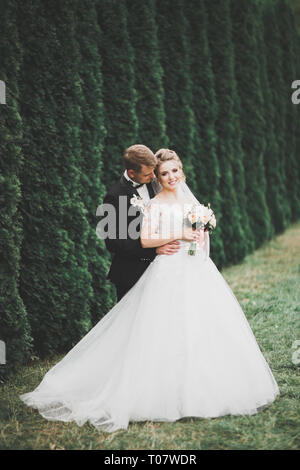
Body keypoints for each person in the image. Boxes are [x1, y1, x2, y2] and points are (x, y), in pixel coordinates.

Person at [20, 148, 279, 433]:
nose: (168, 177)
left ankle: (204, 384)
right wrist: (176, 236)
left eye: (173, 171)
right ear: (148, 175)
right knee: (154, 331)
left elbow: (198, 236)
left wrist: (200, 238)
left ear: (182, 172)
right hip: (164, 270)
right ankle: (153, 388)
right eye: (162, 173)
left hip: (195, 270)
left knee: (201, 325)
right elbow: (140, 239)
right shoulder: (147, 201)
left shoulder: (192, 204)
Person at [100, 144, 180, 301]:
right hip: (131, 274)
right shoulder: (115, 196)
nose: (153, 177)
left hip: (160, 270)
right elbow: (114, 243)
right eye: (147, 174)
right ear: (132, 173)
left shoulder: (154, 184)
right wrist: (154, 249)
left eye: (153, 172)